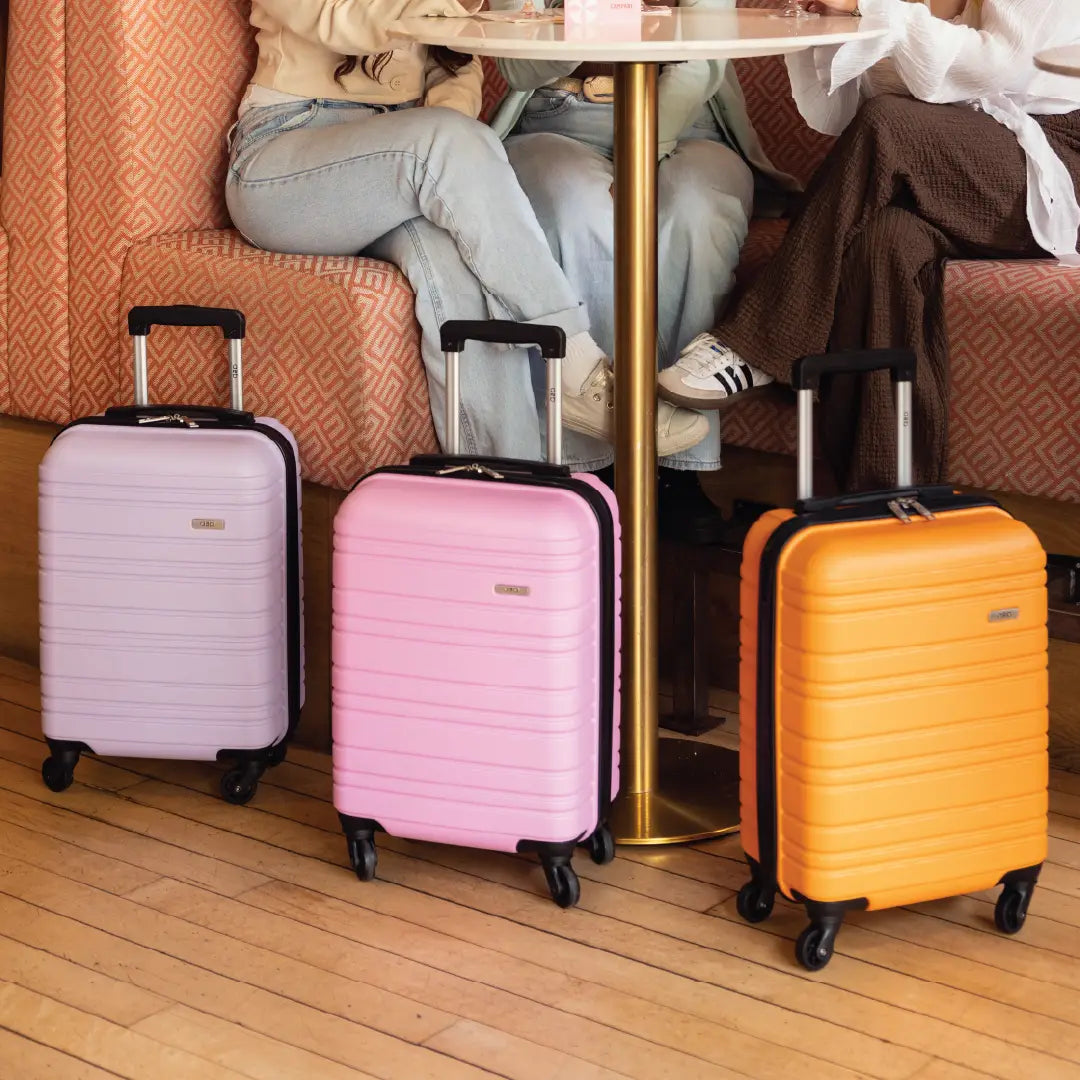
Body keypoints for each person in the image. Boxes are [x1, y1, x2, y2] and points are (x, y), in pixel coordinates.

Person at [225, 0, 710, 470]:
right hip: (284, 163)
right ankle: (574, 361)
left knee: (459, 265)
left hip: (393, 171)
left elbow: (455, 69)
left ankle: (506, 479)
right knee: (445, 138)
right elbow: (334, 18)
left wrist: (447, 112)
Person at [655, 0, 1080, 489]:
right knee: (882, 244)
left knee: (888, 125)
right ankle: (885, 497)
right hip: (967, 159)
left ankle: (760, 341)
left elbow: (996, 66)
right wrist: (848, 17)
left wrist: (868, 7)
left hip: (1054, 163)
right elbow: (888, 89)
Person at [486, 0, 794, 530]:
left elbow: (705, 51)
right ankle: (593, 464)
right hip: (557, 119)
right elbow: (517, 63)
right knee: (575, 209)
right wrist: (591, 18)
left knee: (696, 214)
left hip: (691, 122)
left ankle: (680, 467)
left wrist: (646, 146)